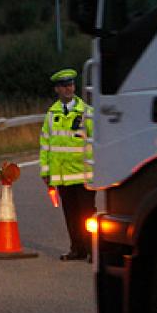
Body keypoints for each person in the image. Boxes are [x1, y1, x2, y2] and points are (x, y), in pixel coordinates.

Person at [39, 69, 96, 261]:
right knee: (71, 216)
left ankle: (92, 251)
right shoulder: (51, 114)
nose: (68, 88)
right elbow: (45, 144)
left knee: (88, 216)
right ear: (57, 89)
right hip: (62, 175)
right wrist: (46, 173)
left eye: (71, 85)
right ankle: (77, 249)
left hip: (83, 174)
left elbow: (98, 141)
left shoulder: (86, 112)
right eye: (64, 86)